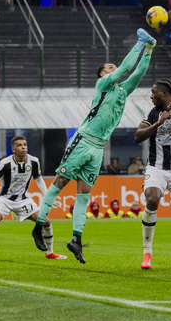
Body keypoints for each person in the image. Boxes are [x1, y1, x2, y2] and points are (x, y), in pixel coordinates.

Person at [31, 29, 156, 264]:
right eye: (109, 67)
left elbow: (137, 72)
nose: (113, 68)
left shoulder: (122, 91)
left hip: (98, 148)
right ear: (102, 73)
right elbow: (126, 68)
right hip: (83, 140)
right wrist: (140, 43)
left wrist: (149, 50)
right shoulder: (103, 84)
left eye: (112, 67)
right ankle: (39, 226)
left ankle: (76, 239)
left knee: (83, 195)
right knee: (59, 182)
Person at [0, 135, 66, 261]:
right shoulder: (5, 163)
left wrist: (49, 197)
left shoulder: (34, 161)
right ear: (13, 149)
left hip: (23, 200)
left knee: (45, 222)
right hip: (4, 199)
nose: (23, 147)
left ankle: (50, 252)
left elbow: (39, 180)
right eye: (19, 145)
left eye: (25, 144)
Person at [135, 79, 171, 269]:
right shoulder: (151, 113)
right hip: (156, 168)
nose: (151, 95)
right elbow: (138, 136)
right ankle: (147, 253)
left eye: (154, 92)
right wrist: (158, 123)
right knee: (152, 198)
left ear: (165, 94)